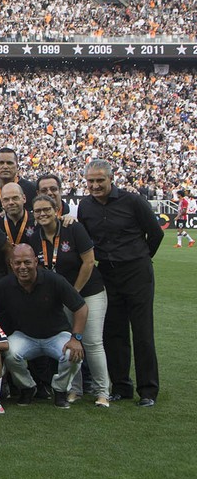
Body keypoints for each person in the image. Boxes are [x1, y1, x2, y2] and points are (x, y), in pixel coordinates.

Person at [77, 159, 164, 406]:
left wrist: (141, 256)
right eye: (90, 181)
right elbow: (85, 239)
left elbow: (155, 233)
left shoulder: (133, 201)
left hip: (137, 272)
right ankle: (121, 387)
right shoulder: (85, 206)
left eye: (99, 180)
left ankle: (148, 391)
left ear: (111, 179)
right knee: (114, 332)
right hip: (107, 274)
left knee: (143, 332)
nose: (95, 185)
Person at [31, 194, 110, 407]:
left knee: (92, 342)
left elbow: (89, 261)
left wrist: (73, 292)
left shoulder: (73, 228)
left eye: (46, 209)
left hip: (89, 292)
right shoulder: (35, 237)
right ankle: (75, 389)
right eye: (38, 211)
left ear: (56, 210)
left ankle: (103, 391)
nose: (42, 214)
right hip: (62, 299)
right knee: (70, 343)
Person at [0, 244, 87, 408]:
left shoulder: (54, 280)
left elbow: (81, 307)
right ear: (11, 264)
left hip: (57, 335)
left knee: (73, 354)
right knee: (9, 352)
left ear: (36, 261)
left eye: (27, 262)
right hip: (25, 336)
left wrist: (76, 338)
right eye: (18, 263)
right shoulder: (4, 285)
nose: (22, 267)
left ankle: (60, 390)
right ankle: (27, 387)